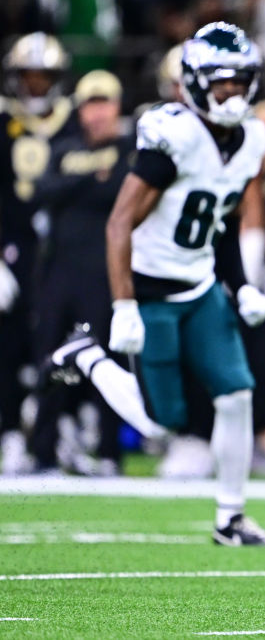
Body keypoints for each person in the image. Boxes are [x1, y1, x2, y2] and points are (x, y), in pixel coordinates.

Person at [44, 22, 265, 546]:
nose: (233, 92)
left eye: (241, 81)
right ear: (195, 83)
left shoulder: (250, 139)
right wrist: (124, 304)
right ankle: (86, 353)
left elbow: (221, 218)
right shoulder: (171, 135)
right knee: (159, 424)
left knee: (237, 394)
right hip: (151, 289)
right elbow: (119, 222)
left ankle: (231, 517)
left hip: (199, 286)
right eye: (222, 82)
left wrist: (239, 284)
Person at [32, 70, 133, 475]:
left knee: (109, 363)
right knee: (51, 360)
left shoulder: (129, 148)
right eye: (90, 104)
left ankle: (109, 451)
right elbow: (42, 191)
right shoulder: (64, 146)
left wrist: (76, 184)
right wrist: (92, 179)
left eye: (103, 103)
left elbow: (121, 191)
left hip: (107, 273)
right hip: (60, 271)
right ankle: (42, 451)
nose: (97, 113)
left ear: (117, 106)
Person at [0, 32, 80, 476]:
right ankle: (11, 430)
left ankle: (60, 423)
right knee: (9, 344)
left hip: (66, 250)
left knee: (67, 344)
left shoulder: (73, 122)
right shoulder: (3, 120)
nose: (34, 85)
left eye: (42, 76)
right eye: (27, 77)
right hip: (15, 248)